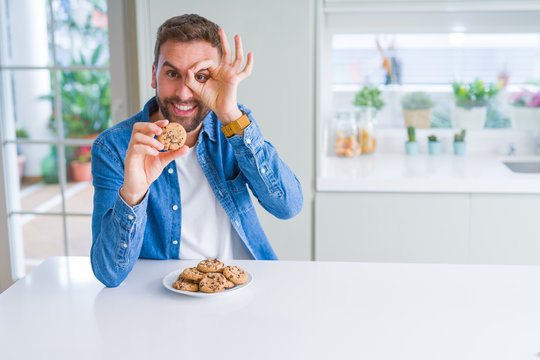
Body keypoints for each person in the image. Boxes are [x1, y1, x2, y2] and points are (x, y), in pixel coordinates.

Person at [90, 14, 303, 287]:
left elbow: (289, 206)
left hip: (242, 288)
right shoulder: (114, 148)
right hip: (161, 298)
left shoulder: (234, 125)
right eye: (172, 73)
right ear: (154, 74)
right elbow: (108, 274)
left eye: (201, 76)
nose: (184, 92)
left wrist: (229, 115)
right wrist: (133, 193)